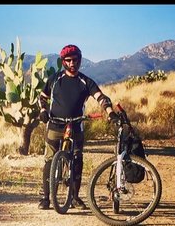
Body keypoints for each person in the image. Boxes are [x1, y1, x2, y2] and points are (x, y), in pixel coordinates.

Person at [38, 44, 118, 210]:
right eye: (68, 60)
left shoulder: (85, 81)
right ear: (63, 62)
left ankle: (74, 197)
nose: (72, 63)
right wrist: (43, 110)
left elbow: (101, 98)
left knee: (76, 160)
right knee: (49, 161)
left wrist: (110, 112)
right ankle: (46, 198)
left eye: (75, 60)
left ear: (79, 61)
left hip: (76, 126)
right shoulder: (55, 79)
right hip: (54, 124)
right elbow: (42, 97)